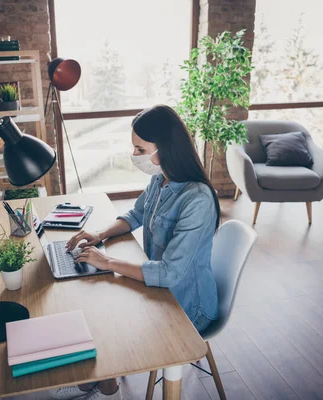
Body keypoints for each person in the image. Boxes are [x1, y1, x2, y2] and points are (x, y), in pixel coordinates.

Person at [50, 104, 221, 400]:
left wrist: (107, 261)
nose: (135, 156)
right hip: (163, 291)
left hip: (188, 306)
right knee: (94, 302)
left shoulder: (198, 199)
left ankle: (106, 388)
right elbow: (136, 214)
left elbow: (169, 273)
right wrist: (100, 234)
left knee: (107, 312)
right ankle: (97, 380)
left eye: (140, 150)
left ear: (164, 149)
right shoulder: (161, 179)